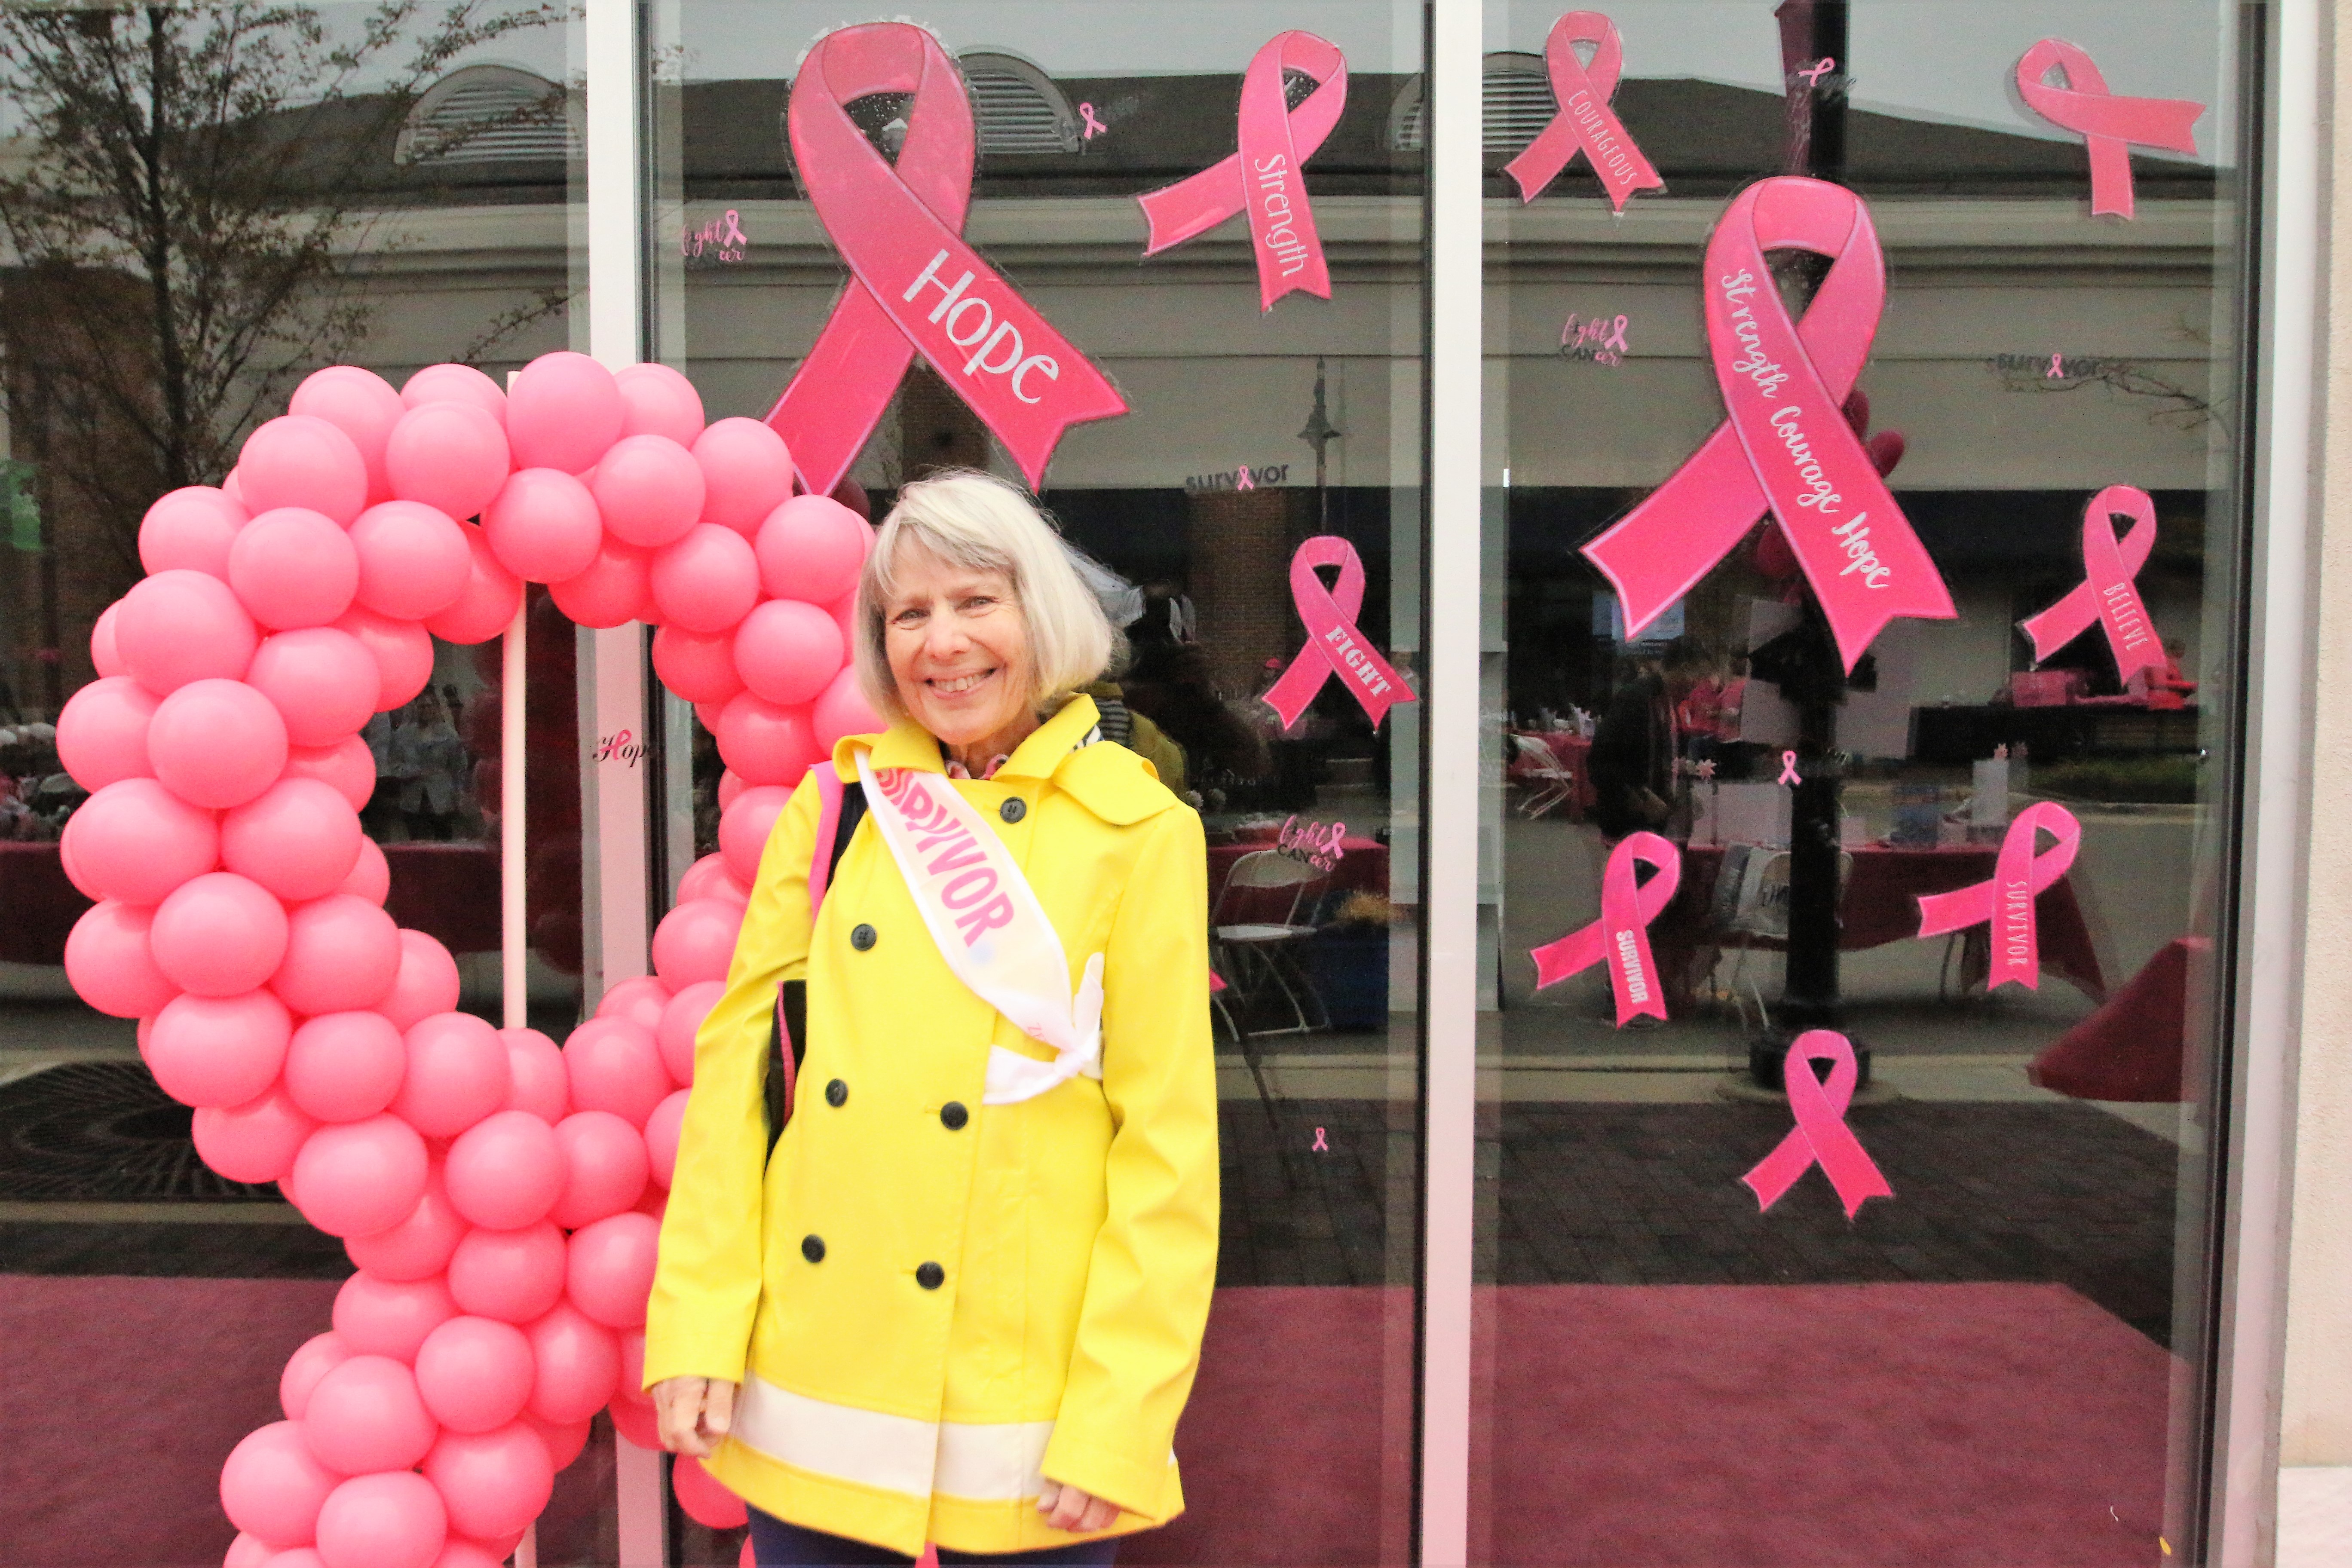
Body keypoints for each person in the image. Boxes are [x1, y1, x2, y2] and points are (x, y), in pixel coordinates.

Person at [645, 470, 1220, 1567]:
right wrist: (698, 1328)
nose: (942, 643)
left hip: (1024, 1398)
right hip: (818, 1377)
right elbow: (737, 1091)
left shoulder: (1139, 832)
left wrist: (1121, 1418)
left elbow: (1167, 1153)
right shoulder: (836, 812)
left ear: (1039, 615)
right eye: (908, 613)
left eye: (975, 602)